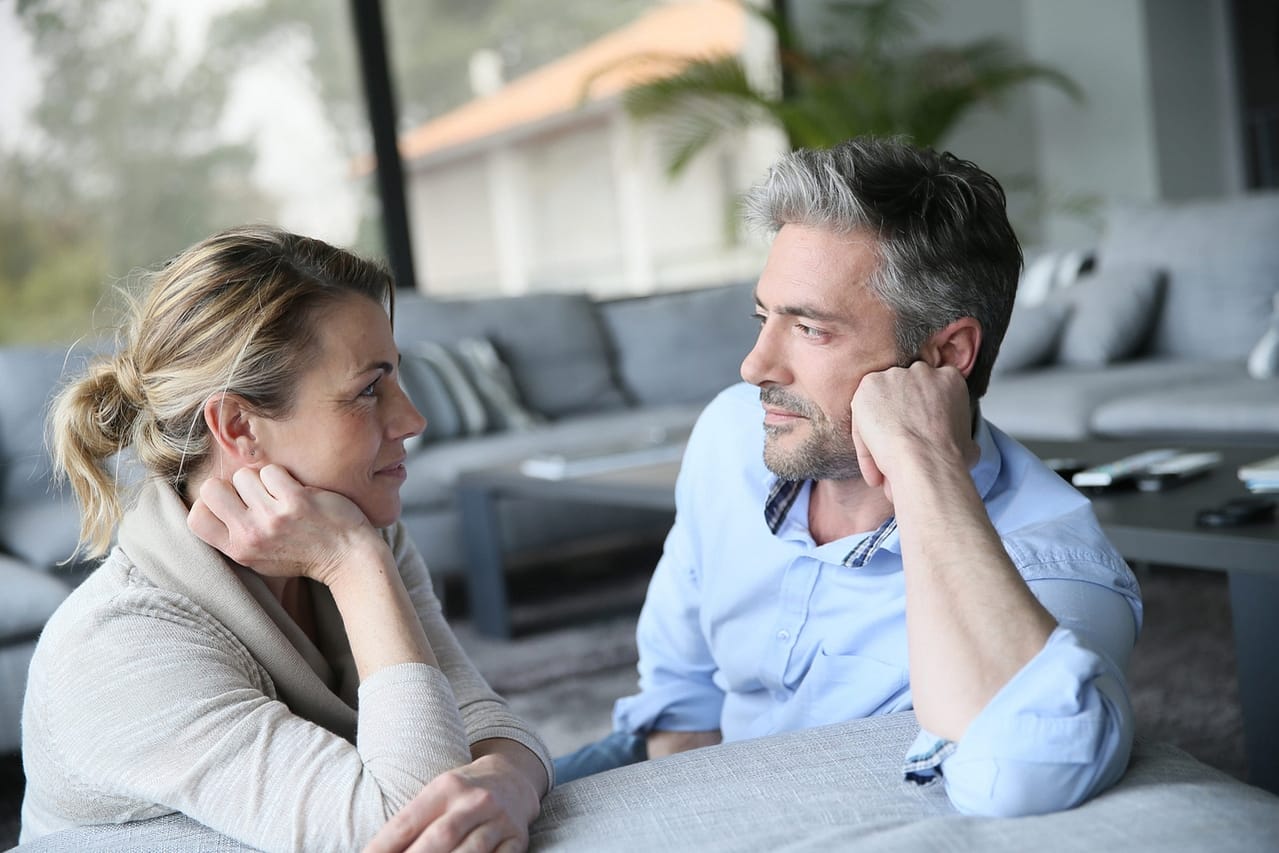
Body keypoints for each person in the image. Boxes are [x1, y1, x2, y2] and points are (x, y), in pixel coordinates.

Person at [548, 137, 1144, 817]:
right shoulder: (730, 433)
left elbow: (1028, 773)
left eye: (809, 329)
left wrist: (922, 462)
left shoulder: (1049, 558)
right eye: (762, 316)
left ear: (945, 354)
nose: (754, 366)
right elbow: (681, 693)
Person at [20, 226, 551, 852]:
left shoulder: (358, 526)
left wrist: (511, 779)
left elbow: (483, 720)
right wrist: (354, 566)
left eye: (398, 380)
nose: (413, 419)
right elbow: (415, 831)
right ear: (240, 425)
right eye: (369, 390)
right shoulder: (124, 645)